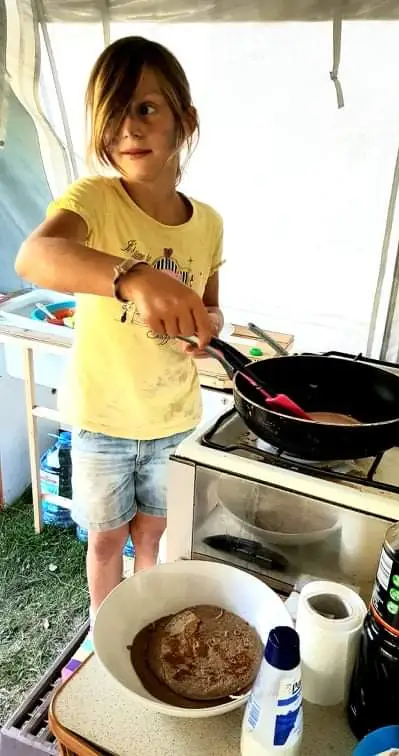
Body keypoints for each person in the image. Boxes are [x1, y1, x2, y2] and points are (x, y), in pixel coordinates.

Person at [15, 36, 224, 626]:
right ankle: (108, 629)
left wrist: (206, 325)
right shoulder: (95, 200)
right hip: (102, 419)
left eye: (146, 108)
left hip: (172, 418)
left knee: (152, 534)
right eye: (112, 114)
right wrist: (133, 276)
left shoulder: (208, 223)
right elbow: (35, 257)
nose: (127, 128)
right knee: (106, 541)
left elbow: (212, 306)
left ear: (186, 120)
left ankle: (144, 616)